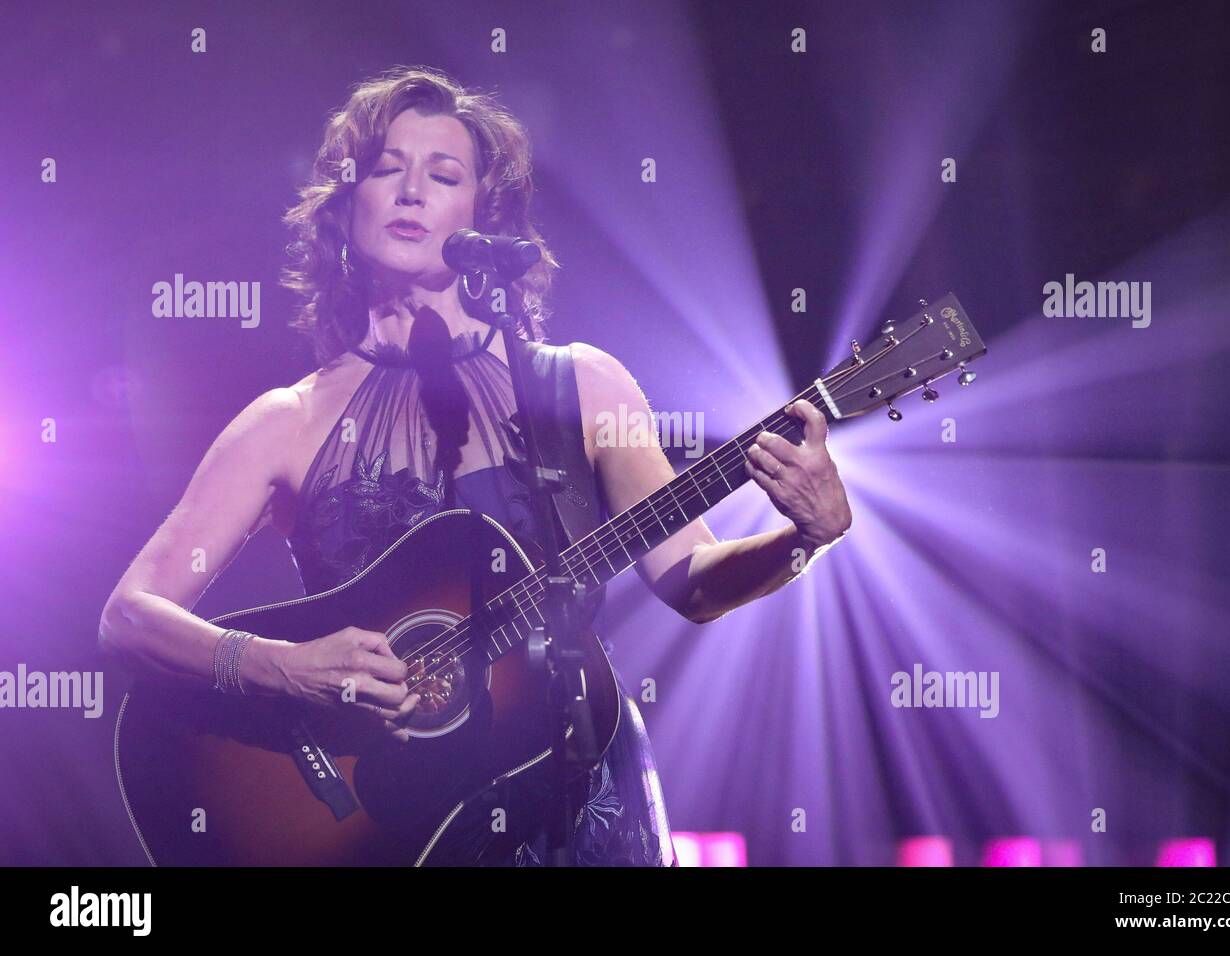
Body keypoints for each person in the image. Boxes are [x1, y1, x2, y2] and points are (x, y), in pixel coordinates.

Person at [99, 66, 852, 866]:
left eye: (443, 174)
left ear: (481, 213)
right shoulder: (287, 421)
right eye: (387, 167)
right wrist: (287, 668)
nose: (411, 191)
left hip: (580, 803)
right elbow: (130, 615)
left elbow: (693, 580)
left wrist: (804, 539)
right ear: (347, 201)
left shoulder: (581, 385)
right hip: (390, 825)